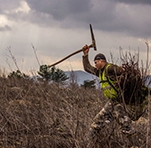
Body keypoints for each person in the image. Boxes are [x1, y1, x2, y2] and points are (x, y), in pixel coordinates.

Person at [82, 45, 138, 146]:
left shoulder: (110, 68)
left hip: (120, 102)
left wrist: (121, 80)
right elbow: (87, 68)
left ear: (101, 61)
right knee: (97, 122)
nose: (95, 65)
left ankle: (136, 145)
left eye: (96, 63)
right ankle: (86, 144)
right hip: (112, 102)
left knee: (125, 126)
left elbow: (124, 73)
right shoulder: (100, 72)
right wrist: (86, 54)